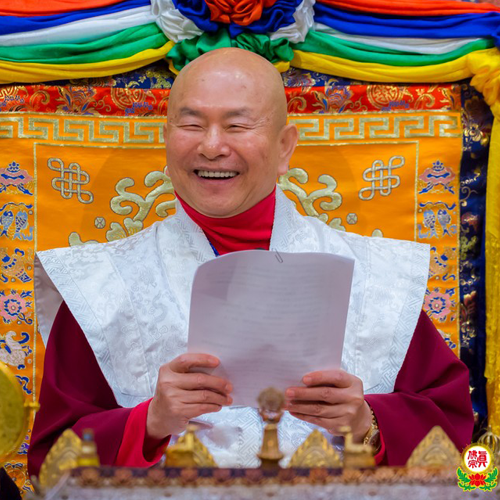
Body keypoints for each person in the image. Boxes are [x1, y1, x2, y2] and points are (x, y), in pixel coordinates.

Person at [28, 48, 473, 476]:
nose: (211, 146)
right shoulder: (101, 286)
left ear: (284, 147)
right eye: (191, 124)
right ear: (166, 139)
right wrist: (149, 423)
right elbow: (51, 463)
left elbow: (453, 434)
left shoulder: (373, 277)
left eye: (237, 125)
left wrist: (366, 423)